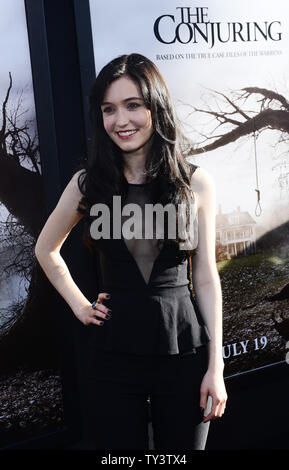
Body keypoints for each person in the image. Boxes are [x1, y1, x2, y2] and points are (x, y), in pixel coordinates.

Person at [34, 53, 227, 451]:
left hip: (183, 350)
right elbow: (46, 249)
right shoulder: (87, 184)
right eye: (109, 109)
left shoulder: (197, 183)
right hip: (111, 357)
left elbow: (206, 275)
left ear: (156, 106)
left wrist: (216, 366)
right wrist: (79, 305)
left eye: (133, 105)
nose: (121, 121)